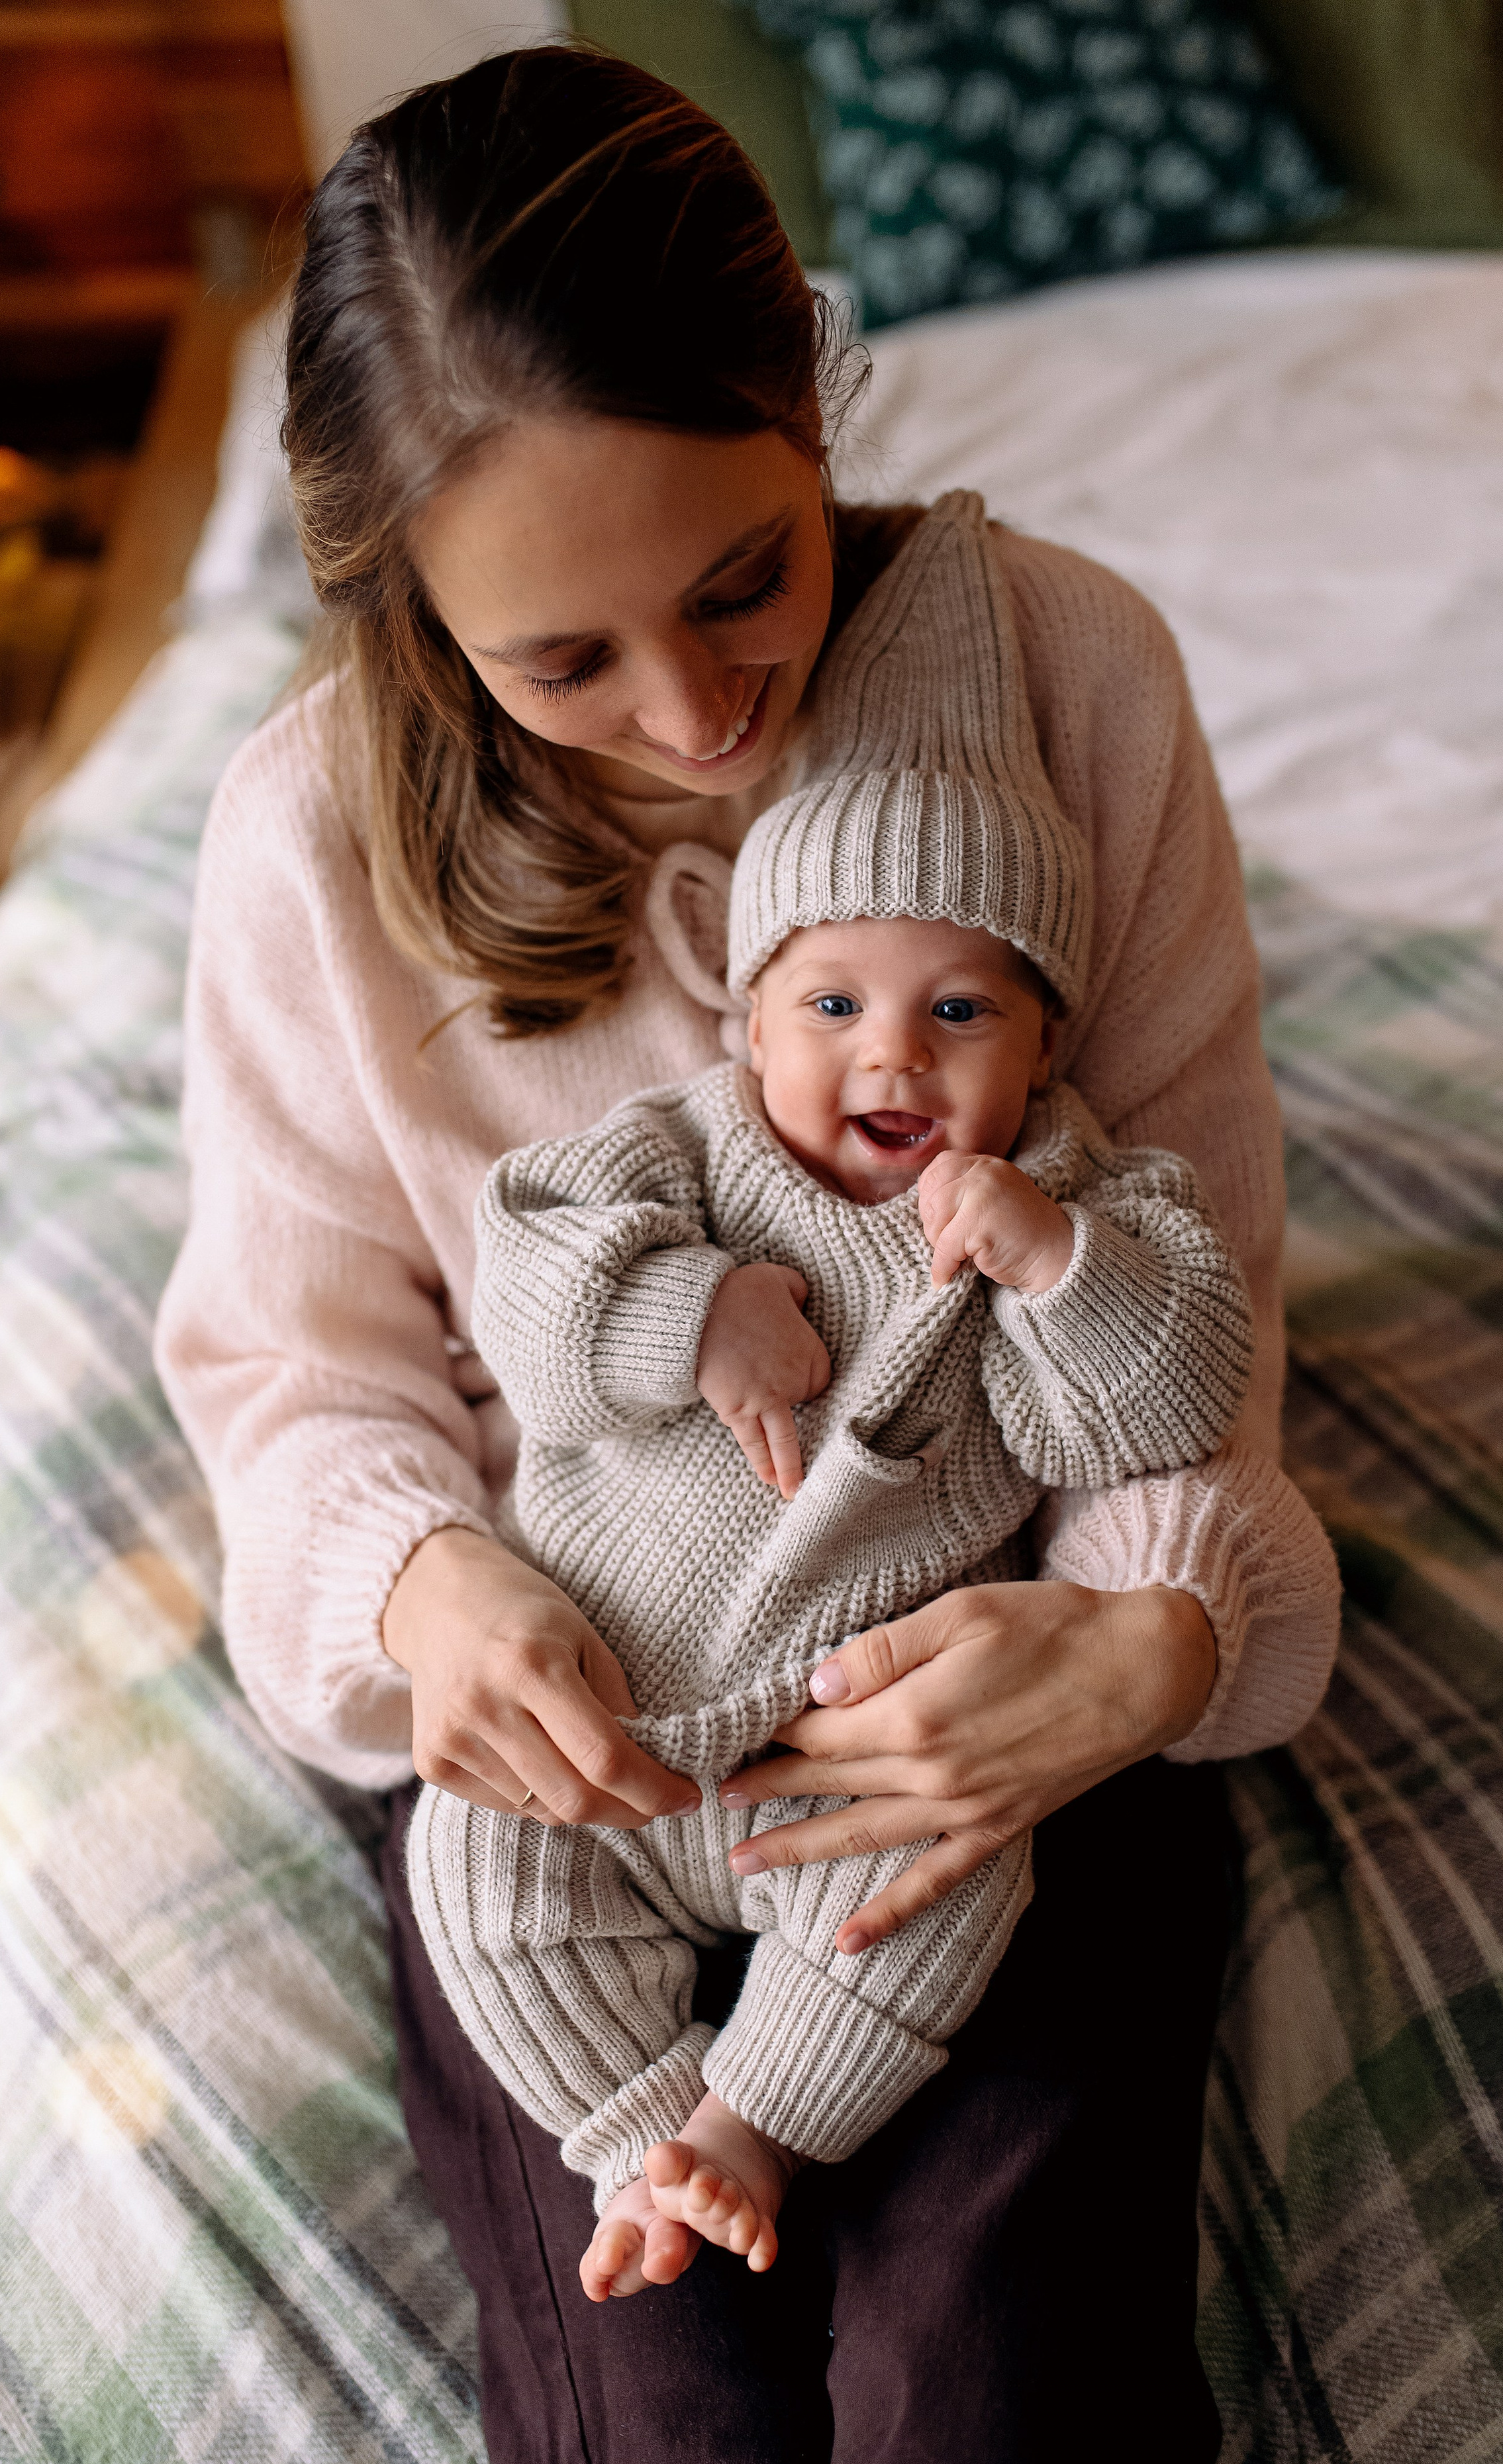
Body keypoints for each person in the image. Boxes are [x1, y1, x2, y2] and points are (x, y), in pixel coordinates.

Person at [155, 42, 1341, 2464]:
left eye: (745, 583)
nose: (699, 721)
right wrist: (423, 1576)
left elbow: (1190, 1309)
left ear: (813, 399)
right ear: (407, 611)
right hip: (570, 1716)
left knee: (1001, 2422)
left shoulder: (1074, 686)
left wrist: (1135, 1651)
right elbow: (299, 1368)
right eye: (564, 664)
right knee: (663, 2439)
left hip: (975, 1689)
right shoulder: (306, 840)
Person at [407, 488, 1257, 2310]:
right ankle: (639, 2130)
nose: (894, 1052)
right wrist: (686, 1312)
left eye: (965, 1013)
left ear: (1044, 1041)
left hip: (857, 1760)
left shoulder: (1084, 1203)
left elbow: (1167, 1414)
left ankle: (755, 2128)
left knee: (949, 1893)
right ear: (750, 1008)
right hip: (605, 1719)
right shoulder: (685, 1155)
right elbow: (526, 1286)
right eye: (840, 1002)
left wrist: (1055, 1268)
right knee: (472, 1867)